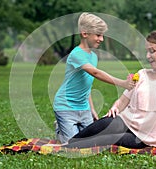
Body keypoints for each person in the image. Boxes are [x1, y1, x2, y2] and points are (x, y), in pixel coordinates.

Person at [65, 30, 156, 149]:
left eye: (152, 51)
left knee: (105, 139)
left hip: (144, 137)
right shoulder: (142, 74)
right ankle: (68, 143)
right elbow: (123, 100)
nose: (148, 56)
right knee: (104, 123)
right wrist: (115, 107)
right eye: (147, 51)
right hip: (126, 121)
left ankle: (67, 148)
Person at [53, 12, 135, 143]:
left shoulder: (93, 57)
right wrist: (122, 83)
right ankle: (59, 128)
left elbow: (87, 85)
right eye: (98, 35)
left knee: (90, 140)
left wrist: (91, 109)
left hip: (83, 108)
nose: (101, 39)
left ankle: (70, 127)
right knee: (73, 144)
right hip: (65, 107)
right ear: (85, 33)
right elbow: (95, 73)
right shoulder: (76, 54)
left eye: (102, 35)